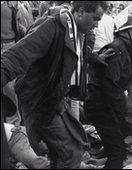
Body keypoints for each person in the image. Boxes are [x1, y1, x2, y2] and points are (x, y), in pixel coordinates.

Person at [1, 1, 112, 168]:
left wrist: (96, 58)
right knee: (70, 151)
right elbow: (18, 55)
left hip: (49, 96)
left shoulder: (74, 30)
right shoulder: (52, 27)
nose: (96, 25)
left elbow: (79, 51)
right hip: (40, 99)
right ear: (81, 11)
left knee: (42, 147)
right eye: (95, 18)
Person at [84, 15, 132, 169]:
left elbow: (122, 85)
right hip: (100, 105)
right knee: (118, 153)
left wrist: (126, 112)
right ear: (123, 32)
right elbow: (110, 85)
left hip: (105, 104)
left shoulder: (125, 49)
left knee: (120, 137)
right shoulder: (116, 49)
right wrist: (125, 112)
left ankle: (103, 156)